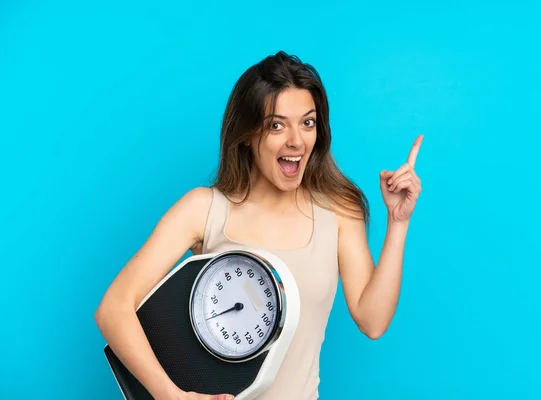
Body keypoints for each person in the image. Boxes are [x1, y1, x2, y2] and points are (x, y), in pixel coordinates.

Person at [94, 51, 423, 400]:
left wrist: (398, 223)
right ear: (248, 134)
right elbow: (113, 308)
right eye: (276, 125)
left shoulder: (340, 211)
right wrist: (168, 394)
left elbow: (372, 322)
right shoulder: (204, 209)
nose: (296, 141)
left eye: (307, 122)